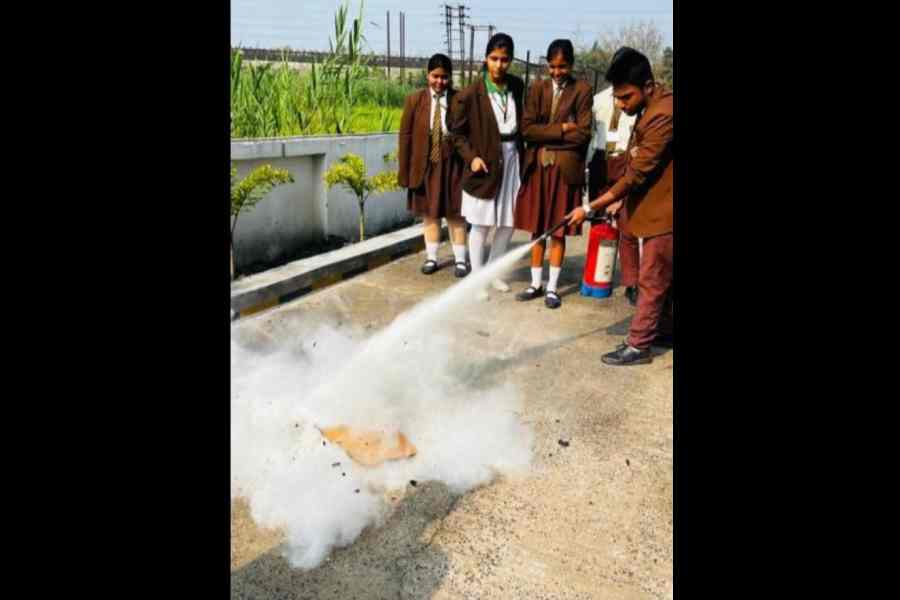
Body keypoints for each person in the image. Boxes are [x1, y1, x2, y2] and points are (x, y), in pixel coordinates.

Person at [566, 47, 673, 366]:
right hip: (656, 206)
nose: (620, 104)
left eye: (626, 97)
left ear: (648, 87)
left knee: (653, 277)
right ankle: (663, 330)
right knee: (662, 277)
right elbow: (631, 162)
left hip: (665, 211)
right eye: (617, 96)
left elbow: (638, 172)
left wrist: (591, 206)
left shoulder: (663, 116)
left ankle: (639, 345)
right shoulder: (651, 108)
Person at [513, 39, 593, 309]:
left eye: (563, 66)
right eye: (553, 66)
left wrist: (546, 134)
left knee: (557, 230)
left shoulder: (582, 90)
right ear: (547, 65)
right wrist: (562, 129)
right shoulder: (537, 88)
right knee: (538, 229)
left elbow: (583, 134)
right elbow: (527, 129)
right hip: (538, 169)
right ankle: (535, 284)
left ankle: (552, 288)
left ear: (571, 65)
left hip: (563, 172)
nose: (557, 72)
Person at [449, 33, 525, 298]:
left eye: (505, 60)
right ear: (485, 59)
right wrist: (473, 158)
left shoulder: (517, 86)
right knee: (481, 224)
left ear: (511, 61)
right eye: (494, 59)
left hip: (512, 158)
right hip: (485, 164)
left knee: (507, 222)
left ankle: (492, 274)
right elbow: (456, 135)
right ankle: (477, 279)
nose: (499, 65)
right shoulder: (470, 94)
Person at [398, 53, 469, 277]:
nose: (439, 82)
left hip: (453, 164)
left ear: (450, 78)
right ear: (428, 75)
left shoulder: (460, 100)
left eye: (445, 77)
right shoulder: (414, 100)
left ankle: (460, 260)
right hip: (425, 163)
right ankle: (431, 257)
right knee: (429, 213)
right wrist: (405, 171)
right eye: (435, 76)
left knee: (456, 214)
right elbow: (406, 136)